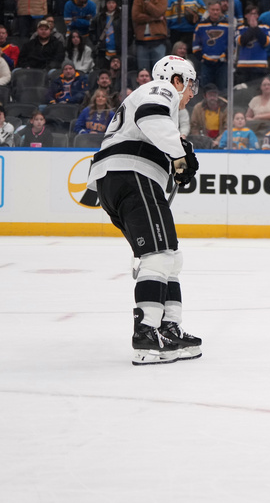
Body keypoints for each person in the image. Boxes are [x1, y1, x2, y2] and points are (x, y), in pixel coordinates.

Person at [85, 55, 202, 365]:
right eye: (191, 86)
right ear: (177, 80)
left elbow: (153, 132)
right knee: (159, 256)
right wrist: (179, 154)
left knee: (169, 256)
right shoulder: (160, 89)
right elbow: (151, 118)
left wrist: (177, 157)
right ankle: (146, 334)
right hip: (131, 176)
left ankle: (168, 327)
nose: (191, 94)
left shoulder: (156, 101)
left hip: (125, 179)